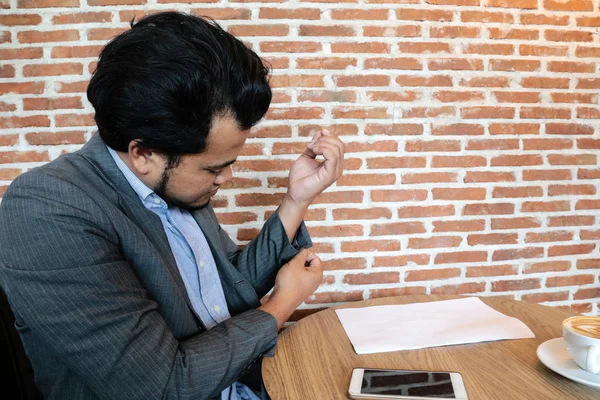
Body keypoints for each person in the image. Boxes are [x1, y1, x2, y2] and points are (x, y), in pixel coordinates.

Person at [0, 12, 344, 400]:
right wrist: (280, 306)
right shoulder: (47, 210)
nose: (225, 179)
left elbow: (226, 290)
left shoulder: (176, 185)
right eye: (214, 167)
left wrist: (296, 200)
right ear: (144, 153)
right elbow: (162, 387)